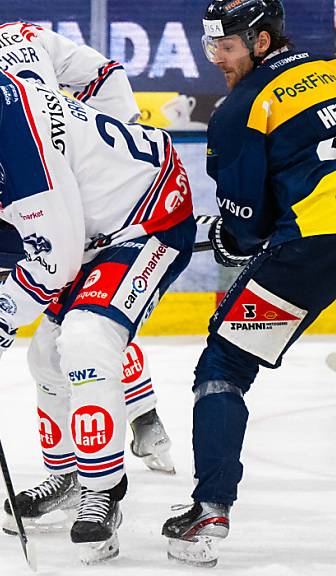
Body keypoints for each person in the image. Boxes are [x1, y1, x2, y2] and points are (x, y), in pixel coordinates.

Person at [0, 51, 195, 562]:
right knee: (45, 356)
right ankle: (68, 475)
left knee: (86, 339)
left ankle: (102, 492)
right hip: (93, 223)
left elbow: (54, 264)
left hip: (147, 218)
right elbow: (32, 218)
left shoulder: (22, 146)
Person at [162, 0, 336, 567]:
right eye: (210, 45)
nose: (217, 58)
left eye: (228, 47)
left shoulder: (241, 107)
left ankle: (210, 508)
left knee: (224, 367)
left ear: (262, 42)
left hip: (312, 247)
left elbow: (245, 225)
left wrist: (232, 238)